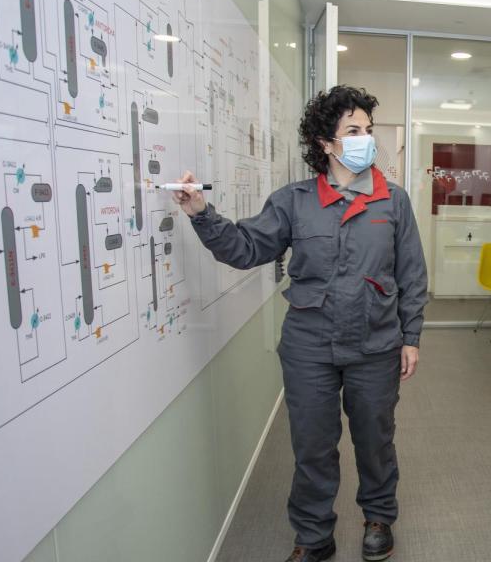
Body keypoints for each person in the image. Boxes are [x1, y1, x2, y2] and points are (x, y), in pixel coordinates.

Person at [173, 85, 428, 562]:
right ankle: (313, 534)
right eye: (353, 131)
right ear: (324, 143)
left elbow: (412, 273)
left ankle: (378, 516)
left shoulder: (393, 201)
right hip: (310, 344)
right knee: (312, 443)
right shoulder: (293, 201)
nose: (365, 140)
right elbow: (246, 248)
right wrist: (202, 215)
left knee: (375, 438)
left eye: (368, 131)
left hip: (376, 344)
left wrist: (411, 336)